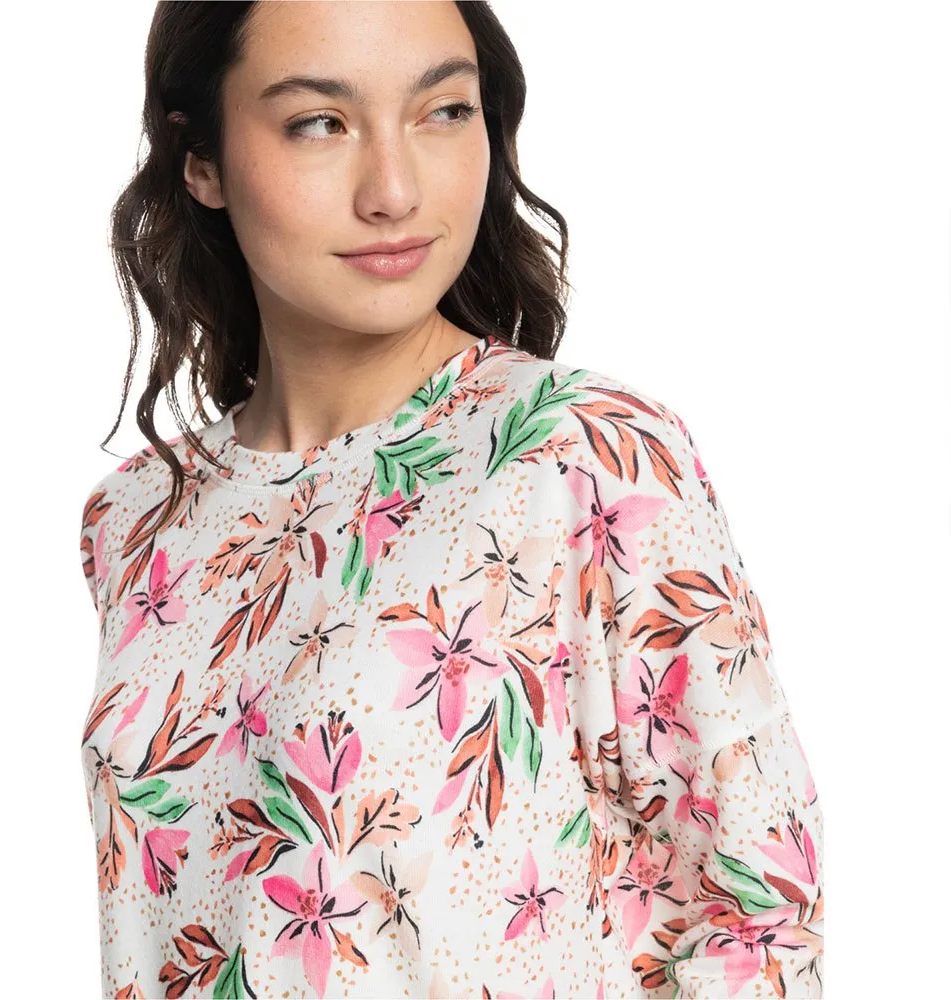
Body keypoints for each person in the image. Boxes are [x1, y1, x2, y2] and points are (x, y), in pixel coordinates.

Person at [78, 3, 825, 998]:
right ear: (200, 158)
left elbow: (761, 915)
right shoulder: (138, 518)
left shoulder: (583, 454)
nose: (394, 190)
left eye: (444, 111)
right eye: (319, 123)